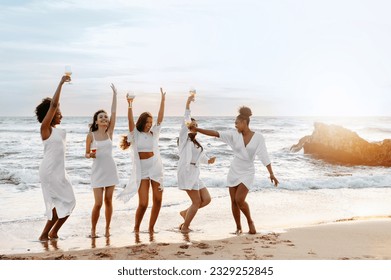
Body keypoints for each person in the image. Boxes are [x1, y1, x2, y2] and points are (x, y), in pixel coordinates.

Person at [190, 106, 279, 234]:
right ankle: (238, 227)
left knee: (239, 199)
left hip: (248, 171)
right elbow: (216, 133)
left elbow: (264, 155)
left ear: (244, 122)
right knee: (233, 201)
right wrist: (197, 129)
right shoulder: (233, 135)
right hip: (234, 170)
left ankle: (250, 221)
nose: (235, 125)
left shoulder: (258, 137)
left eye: (237, 123)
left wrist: (271, 173)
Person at [118, 88, 166, 233]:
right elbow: (129, 120)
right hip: (142, 171)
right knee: (143, 203)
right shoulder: (136, 134)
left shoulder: (154, 133)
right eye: (147, 122)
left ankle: (151, 228)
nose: (149, 124)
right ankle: (137, 228)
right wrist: (130, 105)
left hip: (156, 169)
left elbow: (161, 118)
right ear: (142, 122)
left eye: (151, 122)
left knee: (158, 200)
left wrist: (163, 100)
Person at [34, 75, 76, 241]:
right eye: (58, 113)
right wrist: (61, 83)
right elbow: (53, 104)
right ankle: (46, 234)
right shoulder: (45, 129)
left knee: (67, 202)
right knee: (67, 201)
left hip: (59, 171)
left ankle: (51, 233)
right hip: (50, 171)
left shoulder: (57, 131)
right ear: (49, 115)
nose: (61, 115)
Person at [85, 84, 119, 238]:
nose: (105, 118)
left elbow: (113, 112)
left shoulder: (109, 132)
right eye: (101, 117)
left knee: (108, 201)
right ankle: (93, 230)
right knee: (98, 203)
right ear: (96, 121)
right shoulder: (90, 135)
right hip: (97, 172)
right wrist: (90, 155)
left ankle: (107, 229)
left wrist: (115, 95)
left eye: (105, 117)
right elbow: (86, 153)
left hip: (110, 170)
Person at [177, 95, 216, 233]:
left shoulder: (196, 143)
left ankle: (185, 213)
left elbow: (201, 157)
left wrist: (209, 160)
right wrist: (188, 102)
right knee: (196, 202)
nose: (195, 127)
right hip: (187, 173)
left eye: (197, 125)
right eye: (193, 125)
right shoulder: (184, 140)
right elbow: (186, 119)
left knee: (206, 199)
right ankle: (185, 227)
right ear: (188, 127)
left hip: (195, 173)